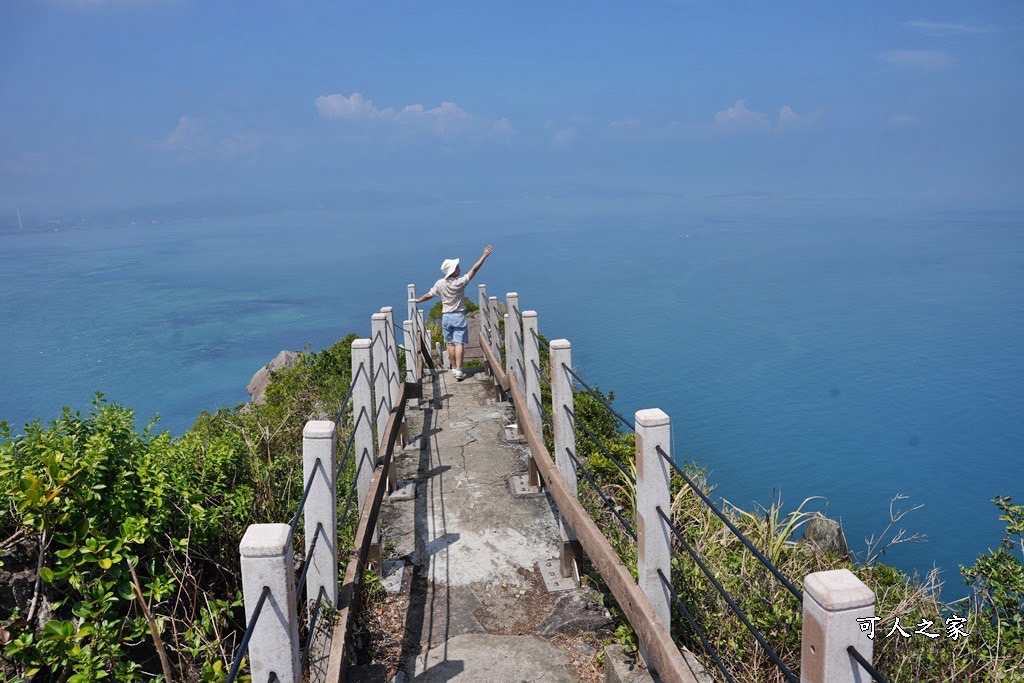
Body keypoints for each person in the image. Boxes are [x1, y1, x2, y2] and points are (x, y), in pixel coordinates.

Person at [416, 245, 493, 380]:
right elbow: (474, 269)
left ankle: (453, 368)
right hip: (458, 316)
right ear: (453, 271)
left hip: (446, 317)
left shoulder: (440, 283)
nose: (460, 268)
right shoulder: (460, 283)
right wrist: (484, 256)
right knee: (459, 344)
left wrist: (417, 300)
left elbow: (429, 294)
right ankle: (459, 369)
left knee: (450, 343)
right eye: (458, 267)